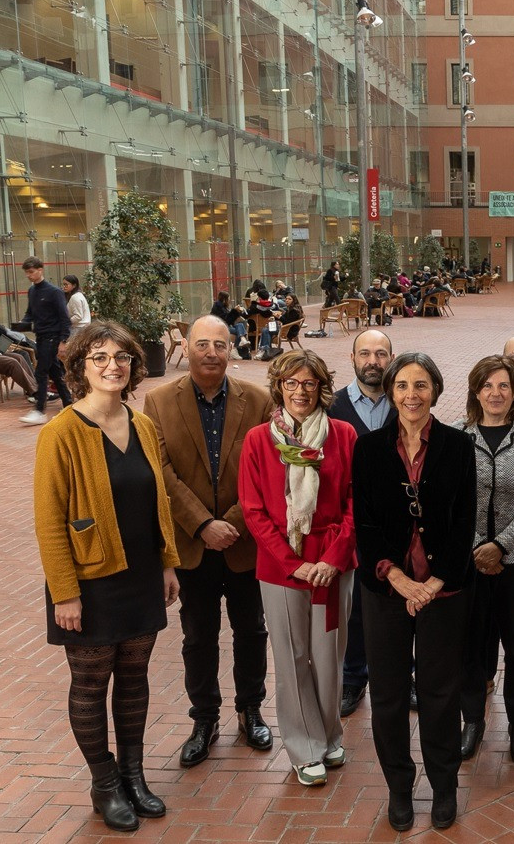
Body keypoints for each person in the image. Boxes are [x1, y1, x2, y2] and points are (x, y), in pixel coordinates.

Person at [34, 321, 181, 832]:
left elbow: (158, 499)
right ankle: (104, 783)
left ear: (134, 365)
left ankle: (134, 775)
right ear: (80, 367)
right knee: (91, 683)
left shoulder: (141, 424)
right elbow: (49, 519)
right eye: (99, 357)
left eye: (121, 356)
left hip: (141, 571)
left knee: (135, 677)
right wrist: (65, 593)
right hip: (91, 578)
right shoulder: (61, 432)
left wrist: (167, 562)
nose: (112, 365)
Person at [144, 317, 274, 768]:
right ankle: (204, 719)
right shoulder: (159, 401)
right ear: (187, 345)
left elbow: (267, 473)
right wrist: (202, 525)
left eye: (221, 344)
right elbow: (160, 473)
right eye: (202, 343)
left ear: (232, 348)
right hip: (192, 544)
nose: (212, 352)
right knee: (198, 636)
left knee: (252, 631)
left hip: (245, 541)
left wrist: (231, 523)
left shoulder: (259, 400)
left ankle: (250, 709)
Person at [354, 352, 476, 832]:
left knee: (440, 693)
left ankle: (444, 786)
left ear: (436, 392)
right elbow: (365, 524)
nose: (411, 395)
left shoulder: (457, 446)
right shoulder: (368, 449)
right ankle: (400, 788)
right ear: (390, 391)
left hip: (443, 591)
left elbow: (464, 521)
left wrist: (434, 582)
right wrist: (399, 579)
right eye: (401, 385)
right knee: (386, 695)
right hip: (386, 590)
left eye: (421, 385)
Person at [238, 351, 358, 786]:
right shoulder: (258, 440)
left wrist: (332, 559)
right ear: (280, 387)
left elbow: (355, 504)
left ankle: (328, 735)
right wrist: (295, 564)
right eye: (292, 383)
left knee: (329, 658)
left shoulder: (343, 435)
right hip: (281, 566)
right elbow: (253, 511)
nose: (301, 391)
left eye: (309, 383)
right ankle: (304, 747)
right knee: (291, 659)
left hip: (333, 564)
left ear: (321, 387)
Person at [453, 356, 514, 762]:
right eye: (488, 385)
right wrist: (479, 546)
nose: (496, 393)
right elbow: (452, 498)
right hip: (469, 562)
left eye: (504, 386)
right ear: (476, 391)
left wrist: (502, 546)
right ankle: (472, 720)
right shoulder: (457, 436)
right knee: (472, 646)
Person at [328, 329, 396, 716]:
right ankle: (354, 678)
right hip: (351, 521)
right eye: (365, 353)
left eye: (381, 353)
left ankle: (408, 674)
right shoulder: (332, 407)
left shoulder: (405, 401)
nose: (373, 361)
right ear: (352, 358)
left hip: (400, 521)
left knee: (404, 599)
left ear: (391, 357)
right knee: (353, 606)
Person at [18, 257, 73, 425]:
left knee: (41, 372)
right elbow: (30, 313)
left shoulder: (54, 292)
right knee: (56, 374)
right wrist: (22, 323)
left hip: (52, 337)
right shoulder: (32, 291)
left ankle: (40, 410)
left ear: (40, 270)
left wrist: (63, 341)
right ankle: (69, 407)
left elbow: (65, 318)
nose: (29, 275)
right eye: (27, 272)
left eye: (31, 272)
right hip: (41, 336)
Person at [210, 292, 251, 359]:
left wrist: (237, 312)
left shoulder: (223, 307)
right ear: (224, 300)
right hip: (220, 327)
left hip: (227, 326)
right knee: (239, 330)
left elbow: (230, 320)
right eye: (228, 299)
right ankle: (237, 346)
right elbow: (225, 320)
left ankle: (241, 341)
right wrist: (234, 311)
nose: (229, 301)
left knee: (240, 325)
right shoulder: (218, 307)